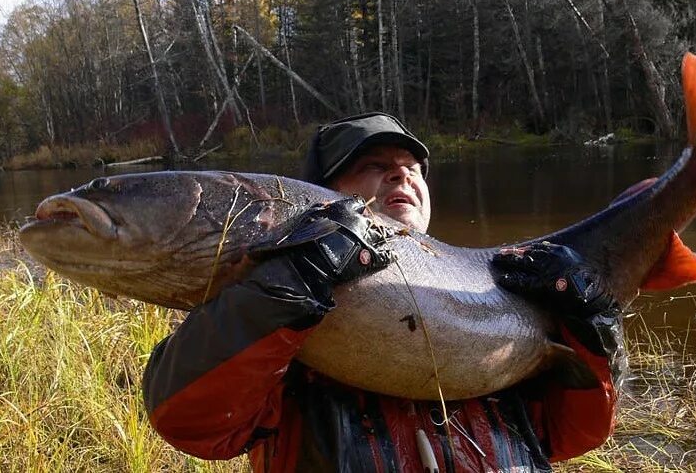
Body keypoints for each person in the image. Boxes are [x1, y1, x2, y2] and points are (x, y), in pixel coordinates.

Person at [143, 112, 625, 472]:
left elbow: (572, 433)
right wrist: (293, 282)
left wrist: (593, 327)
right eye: (375, 166)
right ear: (319, 199)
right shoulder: (274, 302)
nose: (403, 175)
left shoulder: (506, 288)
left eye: (413, 167)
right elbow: (193, 422)